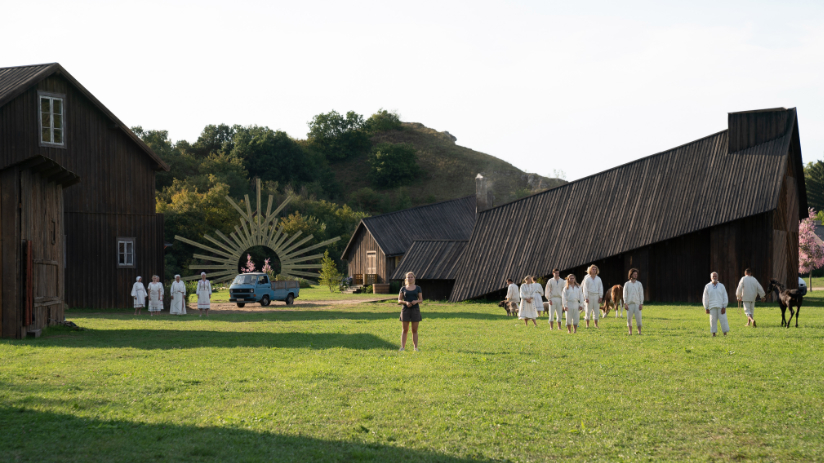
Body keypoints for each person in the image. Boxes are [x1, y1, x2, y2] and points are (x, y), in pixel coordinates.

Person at [398, 271, 423, 352]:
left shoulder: (418, 288)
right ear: (406, 279)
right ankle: (402, 347)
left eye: (411, 277)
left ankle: (415, 348)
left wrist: (416, 301)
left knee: (414, 330)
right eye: (408, 277)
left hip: (415, 310)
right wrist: (405, 302)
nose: (410, 278)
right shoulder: (403, 288)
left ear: (414, 278)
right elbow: (399, 300)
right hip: (405, 310)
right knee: (405, 330)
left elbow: (421, 300)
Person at [703, 272, 729, 337]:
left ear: (717, 277)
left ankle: (725, 333)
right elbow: (705, 297)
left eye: (716, 276)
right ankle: (713, 334)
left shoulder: (721, 286)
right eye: (713, 276)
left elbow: (725, 296)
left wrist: (724, 306)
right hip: (712, 306)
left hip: (720, 306)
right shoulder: (707, 286)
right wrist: (706, 307)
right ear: (711, 278)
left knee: (723, 320)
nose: (714, 277)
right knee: (712, 321)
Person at [623, 268, 644, 335]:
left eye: (636, 274)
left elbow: (641, 294)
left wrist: (641, 303)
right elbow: (625, 294)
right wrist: (625, 303)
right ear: (631, 275)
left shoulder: (639, 284)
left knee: (639, 319)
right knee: (629, 319)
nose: (635, 275)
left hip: (637, 304)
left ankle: (639, 331)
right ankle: (630, 332)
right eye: (634, 274)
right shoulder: (627, 284)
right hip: (629, 304)